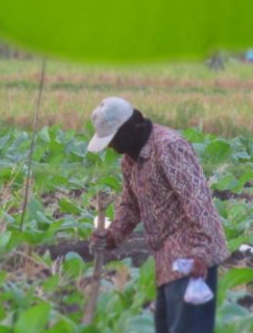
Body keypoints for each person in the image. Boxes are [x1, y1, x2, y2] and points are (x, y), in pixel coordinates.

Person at [88, 97, 230, 333]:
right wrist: (112, 235)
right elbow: (130, 206)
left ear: (129, 127)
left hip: (192, 259)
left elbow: (198, 201)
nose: (111, 146)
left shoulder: (169, 147)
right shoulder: (130, 160)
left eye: (113, 138)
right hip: (167, 261)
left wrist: (199, 253)